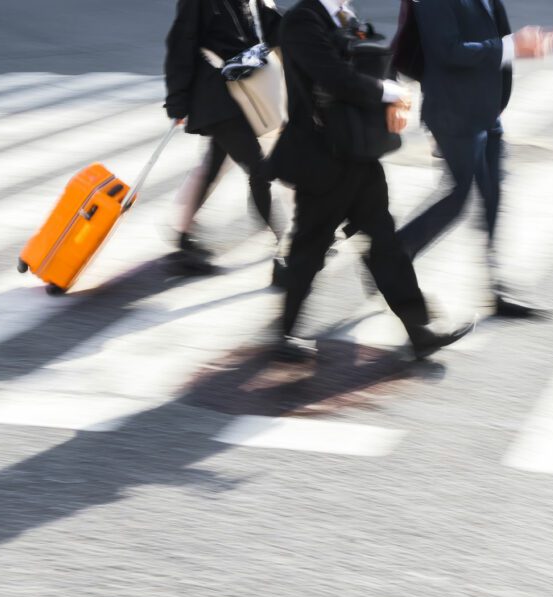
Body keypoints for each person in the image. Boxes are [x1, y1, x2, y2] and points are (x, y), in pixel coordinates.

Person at [268, 0, 473, 361]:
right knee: (309, 249)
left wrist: (393, 94)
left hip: (358, 155)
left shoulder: (344, 16)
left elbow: (376, 59)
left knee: (385, 243)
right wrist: (388, 92)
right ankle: (283, 334)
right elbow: (332, 76)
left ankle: (419, 330)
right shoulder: (302, 19)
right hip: (323, 157)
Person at [396, 0, 553, 317]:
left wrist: (502, 86)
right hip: (452, 111)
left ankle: (495, 290)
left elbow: (493, 28)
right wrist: (511, 46)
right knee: (460, 195)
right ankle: (392, 254)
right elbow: (448, 51)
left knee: (493, 194)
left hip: (487, 108)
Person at [164, 0, 284, 274]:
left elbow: (274, 24)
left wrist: (318, 29)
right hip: (216, 100)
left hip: (241, 92)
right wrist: (177, 101)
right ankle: (287, 242)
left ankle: (182, 239)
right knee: (259, 169)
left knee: (213, 167)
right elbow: (180, 44)